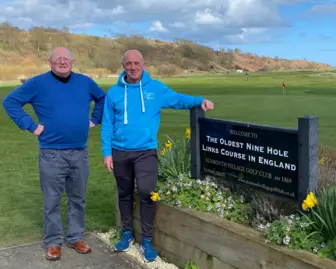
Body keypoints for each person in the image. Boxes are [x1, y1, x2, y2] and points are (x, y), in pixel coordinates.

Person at [100, 50, 214, 262]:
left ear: (143, 64)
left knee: (145, 192)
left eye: (137, 63)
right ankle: (127, 234)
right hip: (120, 151)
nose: (133, 67)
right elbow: (107, 124)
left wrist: (200, 101)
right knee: (124, 193)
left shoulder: (155, 88)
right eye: (128, 63)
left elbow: (178, 100)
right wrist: (107, 153)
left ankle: (147, 241)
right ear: (123, 65)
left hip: (146, 151)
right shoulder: (114, 93)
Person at [2, 47, 106, 261]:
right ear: (49, 62)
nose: (62, 61)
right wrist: (30, 125)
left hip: (79, 152)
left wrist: (95, 119)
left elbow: (103, 99)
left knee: (78, 198)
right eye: (57, 58)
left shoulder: (85, 82)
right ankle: (53, 242)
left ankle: (75, 237)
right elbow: (10, 102)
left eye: (66, 58)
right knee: (52, 200)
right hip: (52, 154)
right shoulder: (38, 83)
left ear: (72, 62)